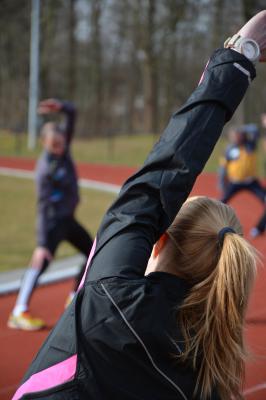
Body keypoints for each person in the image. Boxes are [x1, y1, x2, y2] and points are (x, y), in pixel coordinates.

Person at [12, 11, 266, 400]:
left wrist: (238, 58)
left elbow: (153, 186)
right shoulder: (211, 381)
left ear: (160, 241)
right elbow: (145, 197)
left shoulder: (109, 301)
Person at [8, 99, 93, 331]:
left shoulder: (64, 153)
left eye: (62, 143)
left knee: (92, 252)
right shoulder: (45, 169)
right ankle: (19, 311)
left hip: (68, 221)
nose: (60, 147)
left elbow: (73, 112)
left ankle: (74, 295)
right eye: (54, 145)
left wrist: (61, 107)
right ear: (44, 144)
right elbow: (43, 205)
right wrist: (41, 243)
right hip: (53, 224)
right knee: (41, 262)